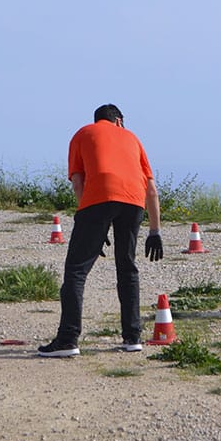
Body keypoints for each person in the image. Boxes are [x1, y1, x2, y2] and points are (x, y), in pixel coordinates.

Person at [39, 104, 163, 357]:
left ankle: (68, 339)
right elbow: (151, 188)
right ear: (119, 120)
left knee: (76, 270)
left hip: (98, 199)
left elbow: (77, 182)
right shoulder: (132, 138)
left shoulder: (83, 134)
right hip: (133, 201)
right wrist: (155, 231)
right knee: (127, 267)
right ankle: (133, 337)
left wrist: (89, 219)